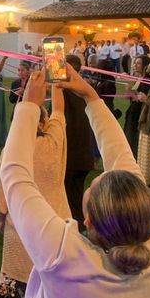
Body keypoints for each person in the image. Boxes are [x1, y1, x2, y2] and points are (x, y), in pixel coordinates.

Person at [0, 65, 150, 298]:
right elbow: (122, 159)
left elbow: (14, 177)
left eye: (94, 183)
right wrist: (91, 97)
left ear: (88, 220)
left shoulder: (62, 255)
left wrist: (28, 107)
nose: (99, 176)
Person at [0, 84, 69, 298]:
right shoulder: (54, 142)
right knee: (51, 285)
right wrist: (57, 82)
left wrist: (1, 215)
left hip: (20, 231)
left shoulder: (12, 150)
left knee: (18, 281)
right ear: (42, 122)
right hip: (55, 231)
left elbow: (3, 193)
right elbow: (59, 110)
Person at [62, 55, 95, 232]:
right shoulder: (86, 90)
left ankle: (79, 235)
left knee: (72, 200)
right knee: (76, 197)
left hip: (72, 156)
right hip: (84, 155)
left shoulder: (65, 91)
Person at [124, 55, 150, 158]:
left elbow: (140, 99)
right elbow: (132, 98)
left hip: (139, 114)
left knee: (134, 140)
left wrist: (130, 92)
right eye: (135, 63)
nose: (135, 65)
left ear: (145, 66)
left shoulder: (147, 80)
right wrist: (129, 93)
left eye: (138, 63)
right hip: (132, 111)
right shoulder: (138, 78)